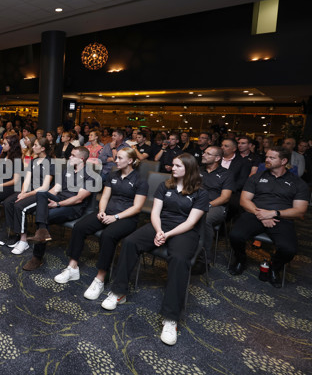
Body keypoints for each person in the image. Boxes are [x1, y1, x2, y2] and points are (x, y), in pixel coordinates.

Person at [101, 153, 208, 346]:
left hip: (184, 230)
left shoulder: (201, 192)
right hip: (161, 225)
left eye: (177, 166)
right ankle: (119, 292)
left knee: (179, 259)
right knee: (130, 242)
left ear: (189, 169)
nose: (172, 168)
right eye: (173, 165)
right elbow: (155, 212)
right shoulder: (165, 185)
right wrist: (159, 231)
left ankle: (171, 318)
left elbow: (192, 222)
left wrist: (167, 235)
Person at [55, 148, 148, 301]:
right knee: (80, 227)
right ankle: (72, 267)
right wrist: (102, 211)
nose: (115, 160)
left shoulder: (140, 180)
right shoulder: (113, 174)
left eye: (119, 158)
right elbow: (104, 196)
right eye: (116, 157)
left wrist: (116, 217)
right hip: (107, 212)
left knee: (108, 235)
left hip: (127, 218)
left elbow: (137, 207)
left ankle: (100, 278)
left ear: (130, 161)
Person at [228, 147, 309, 287]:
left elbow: (300, 211)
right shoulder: (257, 177)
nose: (267, 160)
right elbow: (244, 201)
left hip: (281, 218)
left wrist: (274, 213)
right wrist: (262, 214)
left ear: (284, 161)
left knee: (289, 250)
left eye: (272, 158)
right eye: (267, 156)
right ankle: (241, 259)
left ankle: (274, 266)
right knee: (235, 235)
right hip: (255, 213)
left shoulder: (298, 183)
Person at [22, 146, 98, 270]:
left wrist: (57, 204)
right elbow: (55, 189)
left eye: (73, 155)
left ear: (82, 159)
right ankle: (42, 231)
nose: (70, 157)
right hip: (60, 199)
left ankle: (37, 258)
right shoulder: (66, 170)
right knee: (41, 193)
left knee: (45, 216)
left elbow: (78, 199)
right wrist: (48, 198)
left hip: (74, 207)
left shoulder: (91, 176)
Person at [191, 146, 234, 274]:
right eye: (204, 152)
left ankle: (204, 260)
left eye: (208, 154)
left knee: (205, 220)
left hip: (215, 206)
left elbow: (225, 197)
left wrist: (207, 205)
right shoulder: (198, 170)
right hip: (195, 203)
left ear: (217, 158)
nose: (203, 155)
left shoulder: (226, 174)